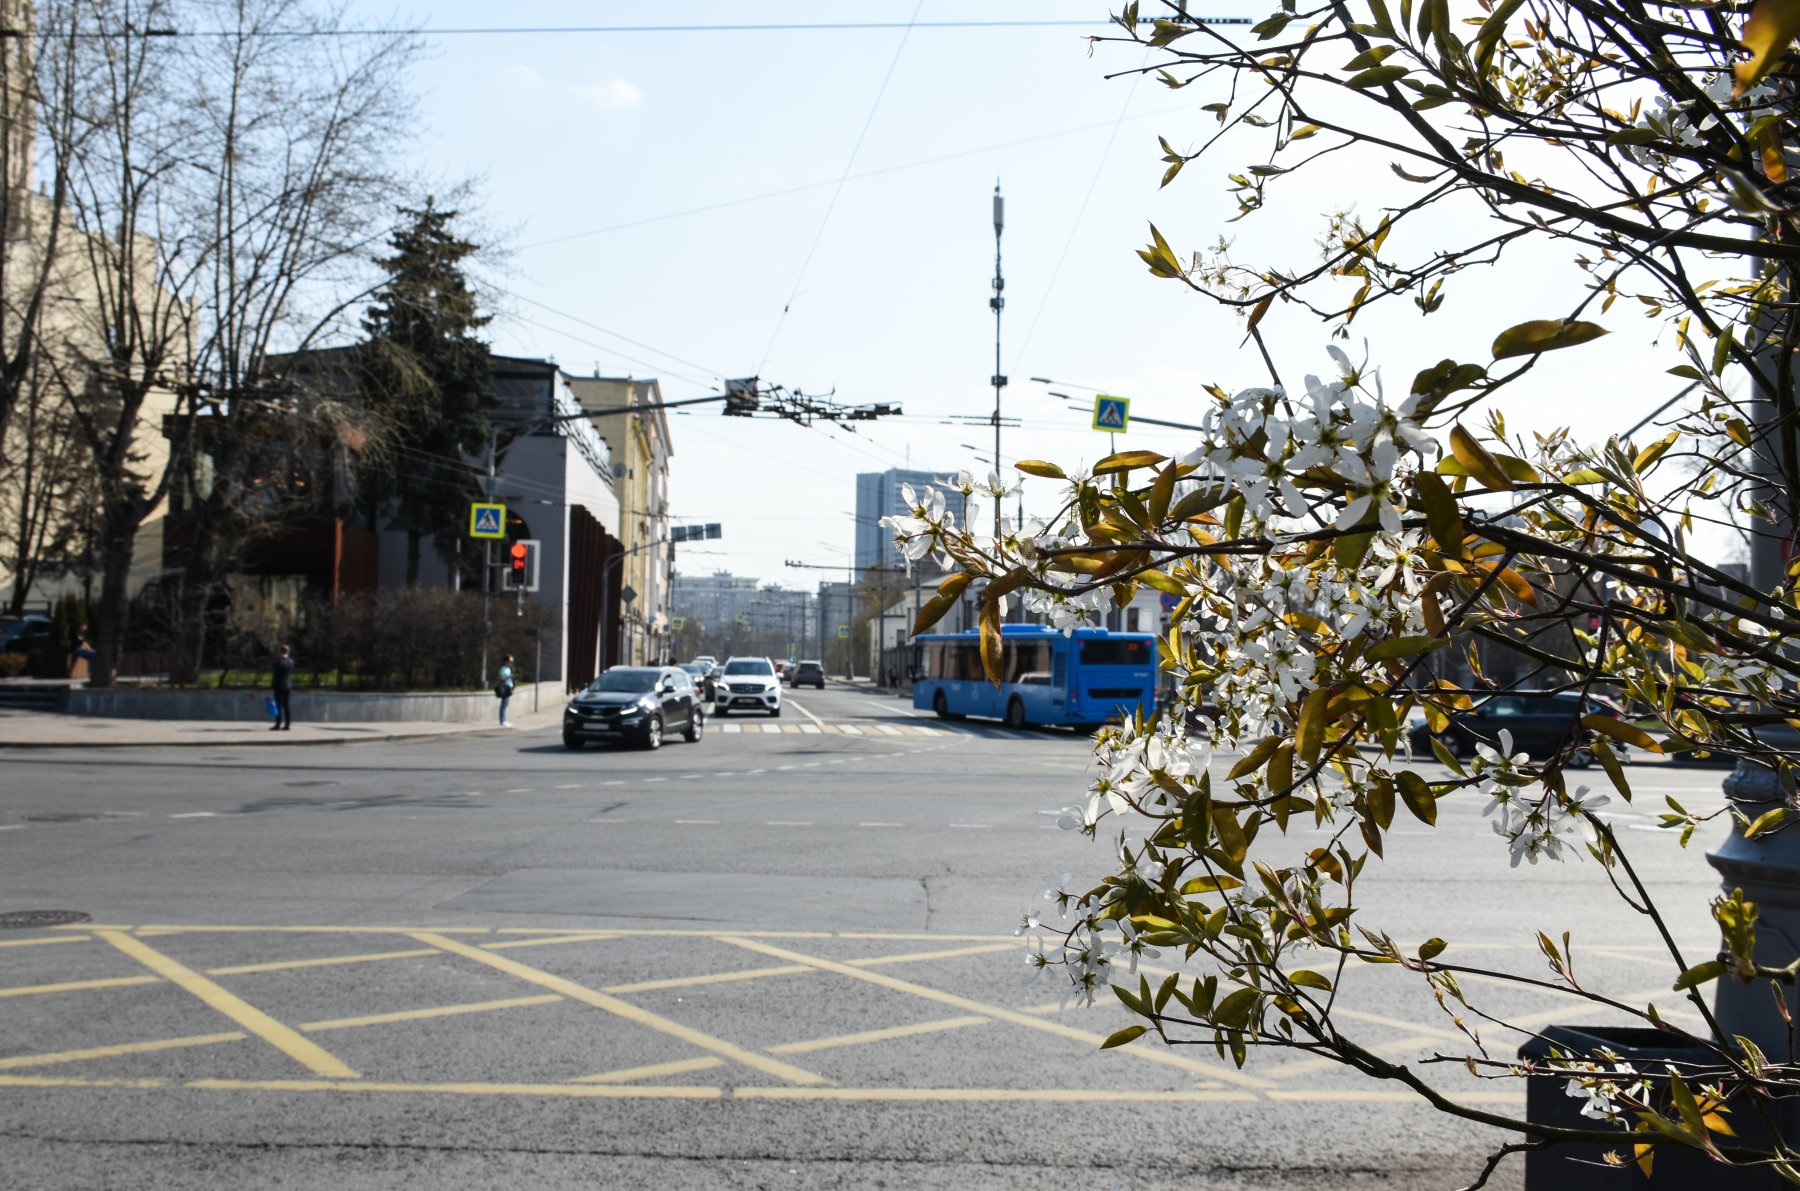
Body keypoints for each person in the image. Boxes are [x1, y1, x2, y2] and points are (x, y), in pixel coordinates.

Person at [271, 644, 294, 731]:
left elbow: (276, 676)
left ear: (280, 651)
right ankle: (287, 724)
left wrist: (272, 686)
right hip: (288, 686)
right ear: (288, 652)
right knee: (287, 705)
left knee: (278, 705)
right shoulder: (291, 662)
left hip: (279, 686)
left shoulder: (278, 662)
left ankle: (278, 724)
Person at [497, 655, 515, 728]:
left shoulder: (508, 669)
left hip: (509, 687)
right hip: (505, 687)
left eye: (511, 662)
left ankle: (505, 719)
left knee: (506, 704)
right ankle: (502, 720)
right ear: (506, 661)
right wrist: (509, 677)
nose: (511, 663)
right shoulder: (503, 669)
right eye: (510, 662)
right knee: (504, 704)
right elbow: (501, 678)